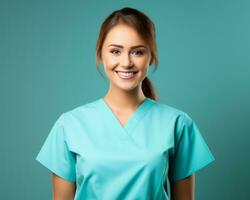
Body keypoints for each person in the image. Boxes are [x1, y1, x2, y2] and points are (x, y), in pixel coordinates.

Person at [35, 7, 215, 200]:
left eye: (137, 52)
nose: (126, 62)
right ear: (100, 54)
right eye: (115, 51)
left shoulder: (177, 123)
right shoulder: (69, 125)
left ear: (151, 57)